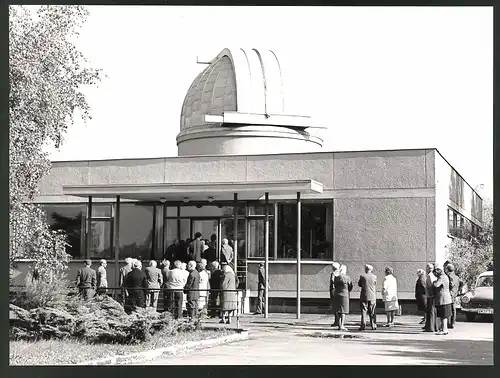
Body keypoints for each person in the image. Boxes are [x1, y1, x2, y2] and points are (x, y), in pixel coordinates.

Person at [332, 264, 353, 331]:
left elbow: (334, 285)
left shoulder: (337, 277)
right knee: (343, 311)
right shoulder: (347, 277)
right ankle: (342, 325)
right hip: (345, 294)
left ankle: (339, 325)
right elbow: (350, 286)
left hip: (337, 294)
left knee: (338, 310)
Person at [433, 264, 452, 335]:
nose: (436, 272)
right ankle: (445, 329)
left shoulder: (442, 277)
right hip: (446, 299)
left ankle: (443, 330)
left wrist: (433, 282)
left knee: (442, 315)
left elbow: (436, 285)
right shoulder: (445, 276)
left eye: (437, 270)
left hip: (443, 299)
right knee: (444, 316)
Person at [358, 264, 377, 331]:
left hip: (364, 296)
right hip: (372, 296)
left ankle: (363, 325)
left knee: (363, 311)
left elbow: (359, 284)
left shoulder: (362, 276)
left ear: (366, 269)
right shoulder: (374, 277)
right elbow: (375, 284)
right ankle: (373, 325)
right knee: (372, 311)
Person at [423, 263, 437, 332]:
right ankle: (432, 326)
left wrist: (431, 294)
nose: (426, 269)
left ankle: (431, 327)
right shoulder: (433, 275)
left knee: (431, 311)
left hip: (430, 296)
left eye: (427, 268)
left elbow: (431, 286)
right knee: (432, 311)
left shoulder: (429, 276)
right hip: (432, 296)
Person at [445, 263, 460, 329]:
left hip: (449, 294)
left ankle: (449, 323)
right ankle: (453, 323)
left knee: (448, 309)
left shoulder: (448, 276)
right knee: (453, 309)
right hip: (454, 294)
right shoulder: (457, 277)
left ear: (448, 269)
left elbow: (451, 284)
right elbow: (460, 284)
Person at [329, 262, 341, 327]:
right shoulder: (340, 273)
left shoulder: (333, 274)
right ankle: (339, 321)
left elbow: (332, 281)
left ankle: (336, 320)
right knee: (339, 306)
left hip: (333, 291)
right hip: (339, 290)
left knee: (334, 306)